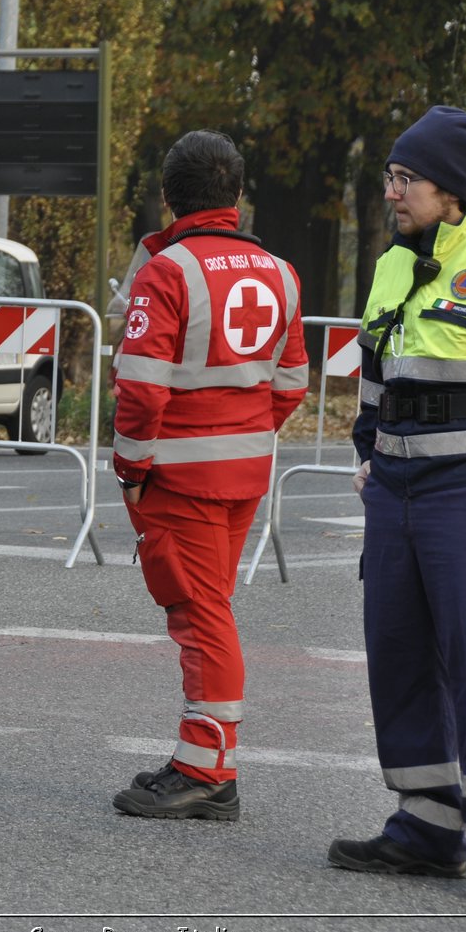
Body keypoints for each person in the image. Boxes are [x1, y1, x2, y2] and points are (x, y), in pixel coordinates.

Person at [329, 105, 466, 903]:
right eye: (389, 175)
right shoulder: (393, 260)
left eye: (405, 177)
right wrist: (366, 452)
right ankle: (426, 826)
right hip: (398, 490)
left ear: (451, 189)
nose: (392, 190)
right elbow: (378, 369)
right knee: (400, 652)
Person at [108, 129, 309, 821]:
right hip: (242, 475)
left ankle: (206, 766)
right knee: (211, 609)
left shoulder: (166, 272)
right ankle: (207, 758)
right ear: (238, 195)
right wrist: (244, 434)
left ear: (168, 197)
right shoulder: (281, 271)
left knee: (201, 617)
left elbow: (140, 386)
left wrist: (130, 465)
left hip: (180, 478)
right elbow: (292, 380)